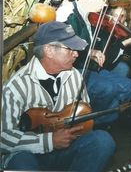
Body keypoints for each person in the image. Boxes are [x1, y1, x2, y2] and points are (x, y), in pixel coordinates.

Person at [1, 21, 116, 171]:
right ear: (49, 50)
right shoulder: (15, 86)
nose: (76, 53)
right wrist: (48, 141)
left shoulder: (75, 76)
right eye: (70, 49)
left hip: (64, 149)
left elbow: (84, 116)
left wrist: (80, 128)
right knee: (22, 163)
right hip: (30, 153)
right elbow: (3, 137)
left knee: (103, 141)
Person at [56, 0, 131, 126]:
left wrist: (95, 51)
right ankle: (90, 122)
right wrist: (90, 51)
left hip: (89, 67)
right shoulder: (68, 12)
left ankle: (99, 118)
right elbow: (62, 41)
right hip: (73, 70)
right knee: (108, 88)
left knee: (128, 86)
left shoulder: (87, 16)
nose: (106, 4)